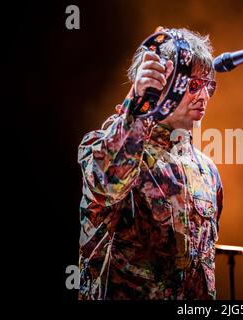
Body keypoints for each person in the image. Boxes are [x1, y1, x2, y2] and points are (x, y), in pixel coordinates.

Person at [77, 27, 223, 300]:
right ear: (162, 87)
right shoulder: (103, 145)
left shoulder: (207, 171)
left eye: (208, 86)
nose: (203, 96)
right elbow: (106, 183)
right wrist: (139, 104)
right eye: (193, 85)